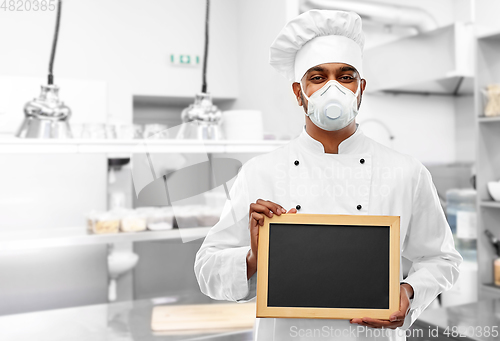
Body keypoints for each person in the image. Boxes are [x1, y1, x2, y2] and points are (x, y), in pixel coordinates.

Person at [194, 9, 462, 341]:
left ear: (360, 89)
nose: (332, 88)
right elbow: (207, 270)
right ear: (298, 92)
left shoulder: (406, 172)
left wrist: (409, 293)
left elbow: (442, 258)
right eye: (318, 77)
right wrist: (253, 258)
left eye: (346, 77)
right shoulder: (260, 172)